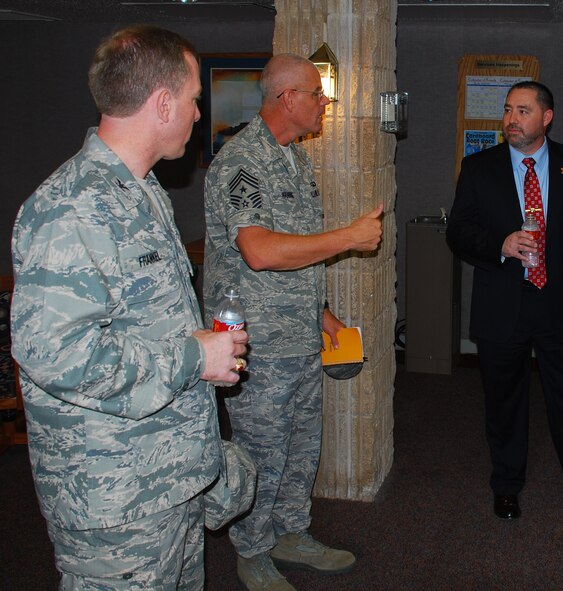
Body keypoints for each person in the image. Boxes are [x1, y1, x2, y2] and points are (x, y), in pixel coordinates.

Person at [10, 25, 249, 589]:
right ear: (162, 103)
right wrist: (194, 358)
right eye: (193, 99)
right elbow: (58, 356)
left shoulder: (140, 191)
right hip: (115, 503)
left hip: (169, 478)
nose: (198, 113)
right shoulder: (69, 208)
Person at [203, 53, 383, 591]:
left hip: (299, 337)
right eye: (316, 93)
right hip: (256, 346)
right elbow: (257, 251)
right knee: (261, 453)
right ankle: (253, 550)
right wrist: (347, 238)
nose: (325, 102)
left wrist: (323, 316)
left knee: (301, 449)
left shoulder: (294, 159)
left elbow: (295, 253)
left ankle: (290, 533)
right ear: (287, 99)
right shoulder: (242, 161)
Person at [446, 80, 563, 521]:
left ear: (546, 117)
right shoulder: (479, 168)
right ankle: (506, 483)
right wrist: (501, 243)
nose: (511, 120)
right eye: (508, 111)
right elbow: (458, 232)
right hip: (503, 302)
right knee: (504, 400)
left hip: (560, 304)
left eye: (522, 111)